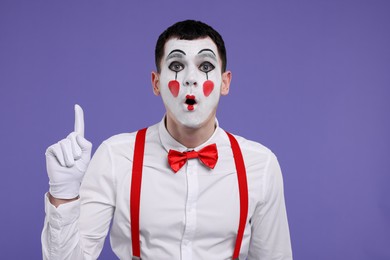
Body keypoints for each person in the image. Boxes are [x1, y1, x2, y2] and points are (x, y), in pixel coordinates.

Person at [42, 20, 293, 260]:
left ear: (224, 82)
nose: (190, 79)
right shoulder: (115, 156)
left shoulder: (261, 165)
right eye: (176, 66)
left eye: (205, 66)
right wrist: (64, 195)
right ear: (156, 82)